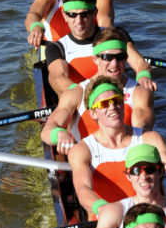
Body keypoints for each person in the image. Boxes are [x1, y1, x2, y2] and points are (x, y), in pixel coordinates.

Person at [68, 84, 166, 214]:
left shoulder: (149, 139)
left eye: (117, 100)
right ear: (93, 113)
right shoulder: (82, 150)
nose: (112, 107)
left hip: (153, 219)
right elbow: (83, 190)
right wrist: (103, 210)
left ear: (123, 103)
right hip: (110, 222)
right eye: (104, 104)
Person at [42, 28, 155, 156]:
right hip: (87, 162)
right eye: (108, 58)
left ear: (126, 59)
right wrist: (59, 134)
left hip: (130, 157)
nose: (114, 64)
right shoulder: (77, 93)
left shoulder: (139, 93)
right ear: (96, 59)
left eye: (120, 57)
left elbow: (141, 128)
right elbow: (47, 130)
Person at [44, 0, 154, 96]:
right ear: (64, 16)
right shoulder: (57, 48)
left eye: (84, 14)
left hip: (117, 102)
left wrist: (143, 76)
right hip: (81, 103)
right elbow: (59, 79)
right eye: (72, 14)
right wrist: (85, 94)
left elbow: (140, 63)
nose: (79, 21)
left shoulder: (115, 36)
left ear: (94, 13)